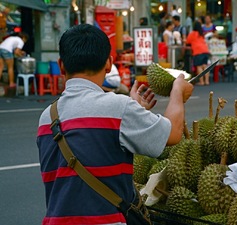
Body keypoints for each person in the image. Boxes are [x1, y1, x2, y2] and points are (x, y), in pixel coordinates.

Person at [36, 24, 193, 225]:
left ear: (61, 65)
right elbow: (172, 134)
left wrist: (131, 111)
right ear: (109, 64)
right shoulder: (118, 107)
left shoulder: (47, 117)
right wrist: (177, 93)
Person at [186, 21, 211, 86]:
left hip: (198, 51)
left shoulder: (192, 34)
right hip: (205, 50)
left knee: (199, 66)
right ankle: (207, 81)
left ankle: (202, 82)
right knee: (205, 66)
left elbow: (187, 41)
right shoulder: (201, 34)